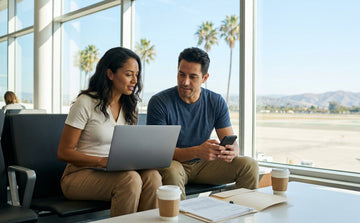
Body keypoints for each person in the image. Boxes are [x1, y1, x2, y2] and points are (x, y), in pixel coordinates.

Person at [57, 47, 162, 217]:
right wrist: (101, 161)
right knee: (131, 180)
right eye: (129, 74)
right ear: (110, 73)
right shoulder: (85, 103)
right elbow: (63, 152)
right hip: (78, 174)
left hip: (114, 172)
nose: (135, 80)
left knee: (153, 176)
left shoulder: (130, 108)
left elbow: (127, 147)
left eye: (136, 75)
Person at [147, 47, 259, 200]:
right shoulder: (159, 102)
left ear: (204, 78)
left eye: (193, 76)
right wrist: (197, 151)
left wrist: (233, 151)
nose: (185, 82)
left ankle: (239, 215)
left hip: (204, 165)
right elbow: (160, 153)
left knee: (249, 165)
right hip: (173, 163)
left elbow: (232, 142)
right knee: (171, 170)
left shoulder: (216, 101)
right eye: (181, 74)